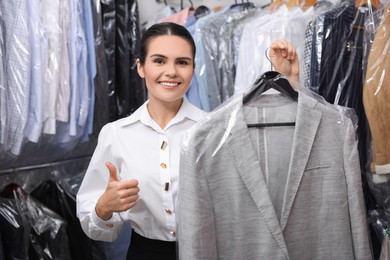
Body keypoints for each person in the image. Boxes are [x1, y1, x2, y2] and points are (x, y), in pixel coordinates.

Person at [76, 22, 299, 260]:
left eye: (182, 62)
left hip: (210, 251)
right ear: (141, 67)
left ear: (193, 68)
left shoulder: (218, 129)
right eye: (159, 61)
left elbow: (274, 178)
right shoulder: (117, 134)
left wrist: (290, 85)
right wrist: (104, 208)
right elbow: (97, 230)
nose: (171, 71)